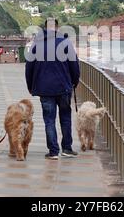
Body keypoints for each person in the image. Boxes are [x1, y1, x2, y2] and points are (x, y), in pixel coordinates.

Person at [25, 18, 80, 160]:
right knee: (65, 118)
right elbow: (74, 65)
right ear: (57, 28)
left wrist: (30, 86)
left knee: (49, 120)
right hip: (64, 87)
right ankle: (67, 148)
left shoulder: (36, 44)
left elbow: (29, 67)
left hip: (44, 89)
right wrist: (74, 82)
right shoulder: (65, 42)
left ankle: (53, 151)